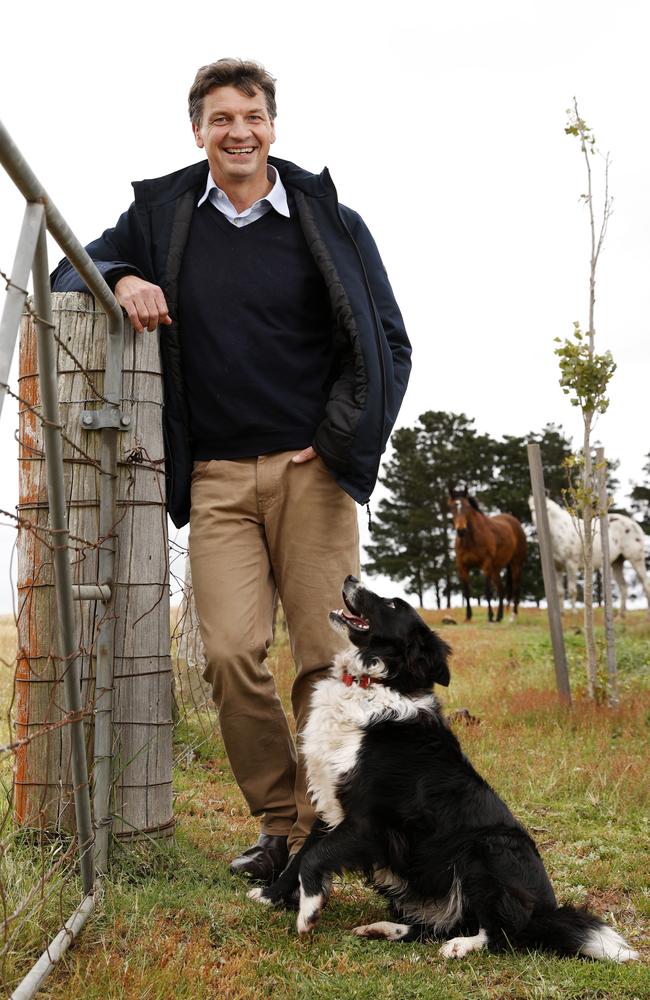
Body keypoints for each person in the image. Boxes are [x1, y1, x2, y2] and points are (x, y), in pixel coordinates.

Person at [52, 58, 411, 883]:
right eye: (221, 119)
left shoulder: (333, 220)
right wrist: (125, 275)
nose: (238, 132)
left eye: (251, 116)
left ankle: (336, 822)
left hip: (312, 478)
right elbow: (74, 261)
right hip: (215, 479)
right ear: (198, 130)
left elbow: (390, 343)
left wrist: (340, 436)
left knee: (326, 660)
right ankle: (284, 824)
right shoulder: (162, 216)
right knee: (229, 653)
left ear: (273, 126)